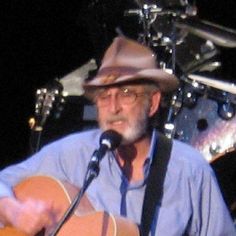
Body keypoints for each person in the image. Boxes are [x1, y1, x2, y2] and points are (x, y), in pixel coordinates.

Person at [0, 36, 235, 236]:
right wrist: (13, 211)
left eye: (126, 94)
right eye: (104, 96)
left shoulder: (190, 172)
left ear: (152, 103)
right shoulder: (72, 154)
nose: (113, 108)